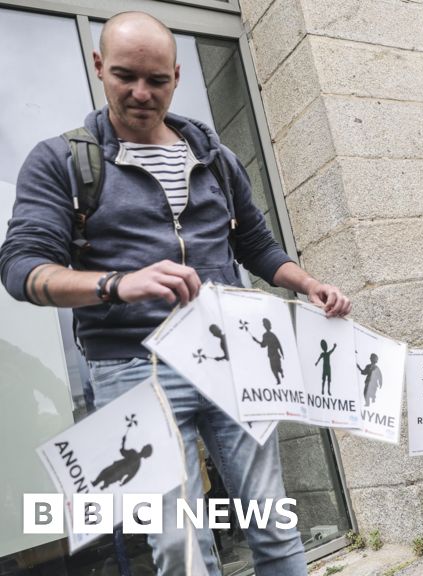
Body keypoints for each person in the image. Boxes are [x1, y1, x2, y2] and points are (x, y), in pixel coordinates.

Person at [0, 12, 352, 576]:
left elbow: (257, 244)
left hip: (231, 361)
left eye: (156, 80)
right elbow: (21, 269)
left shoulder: (215, 158)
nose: (141, 93)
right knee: (179, 548)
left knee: (275, 525)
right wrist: (116, 285)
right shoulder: (62, 161)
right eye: (124, 76)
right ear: (98, 67)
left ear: (177, 76)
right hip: (132, 372)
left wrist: (307, 283)